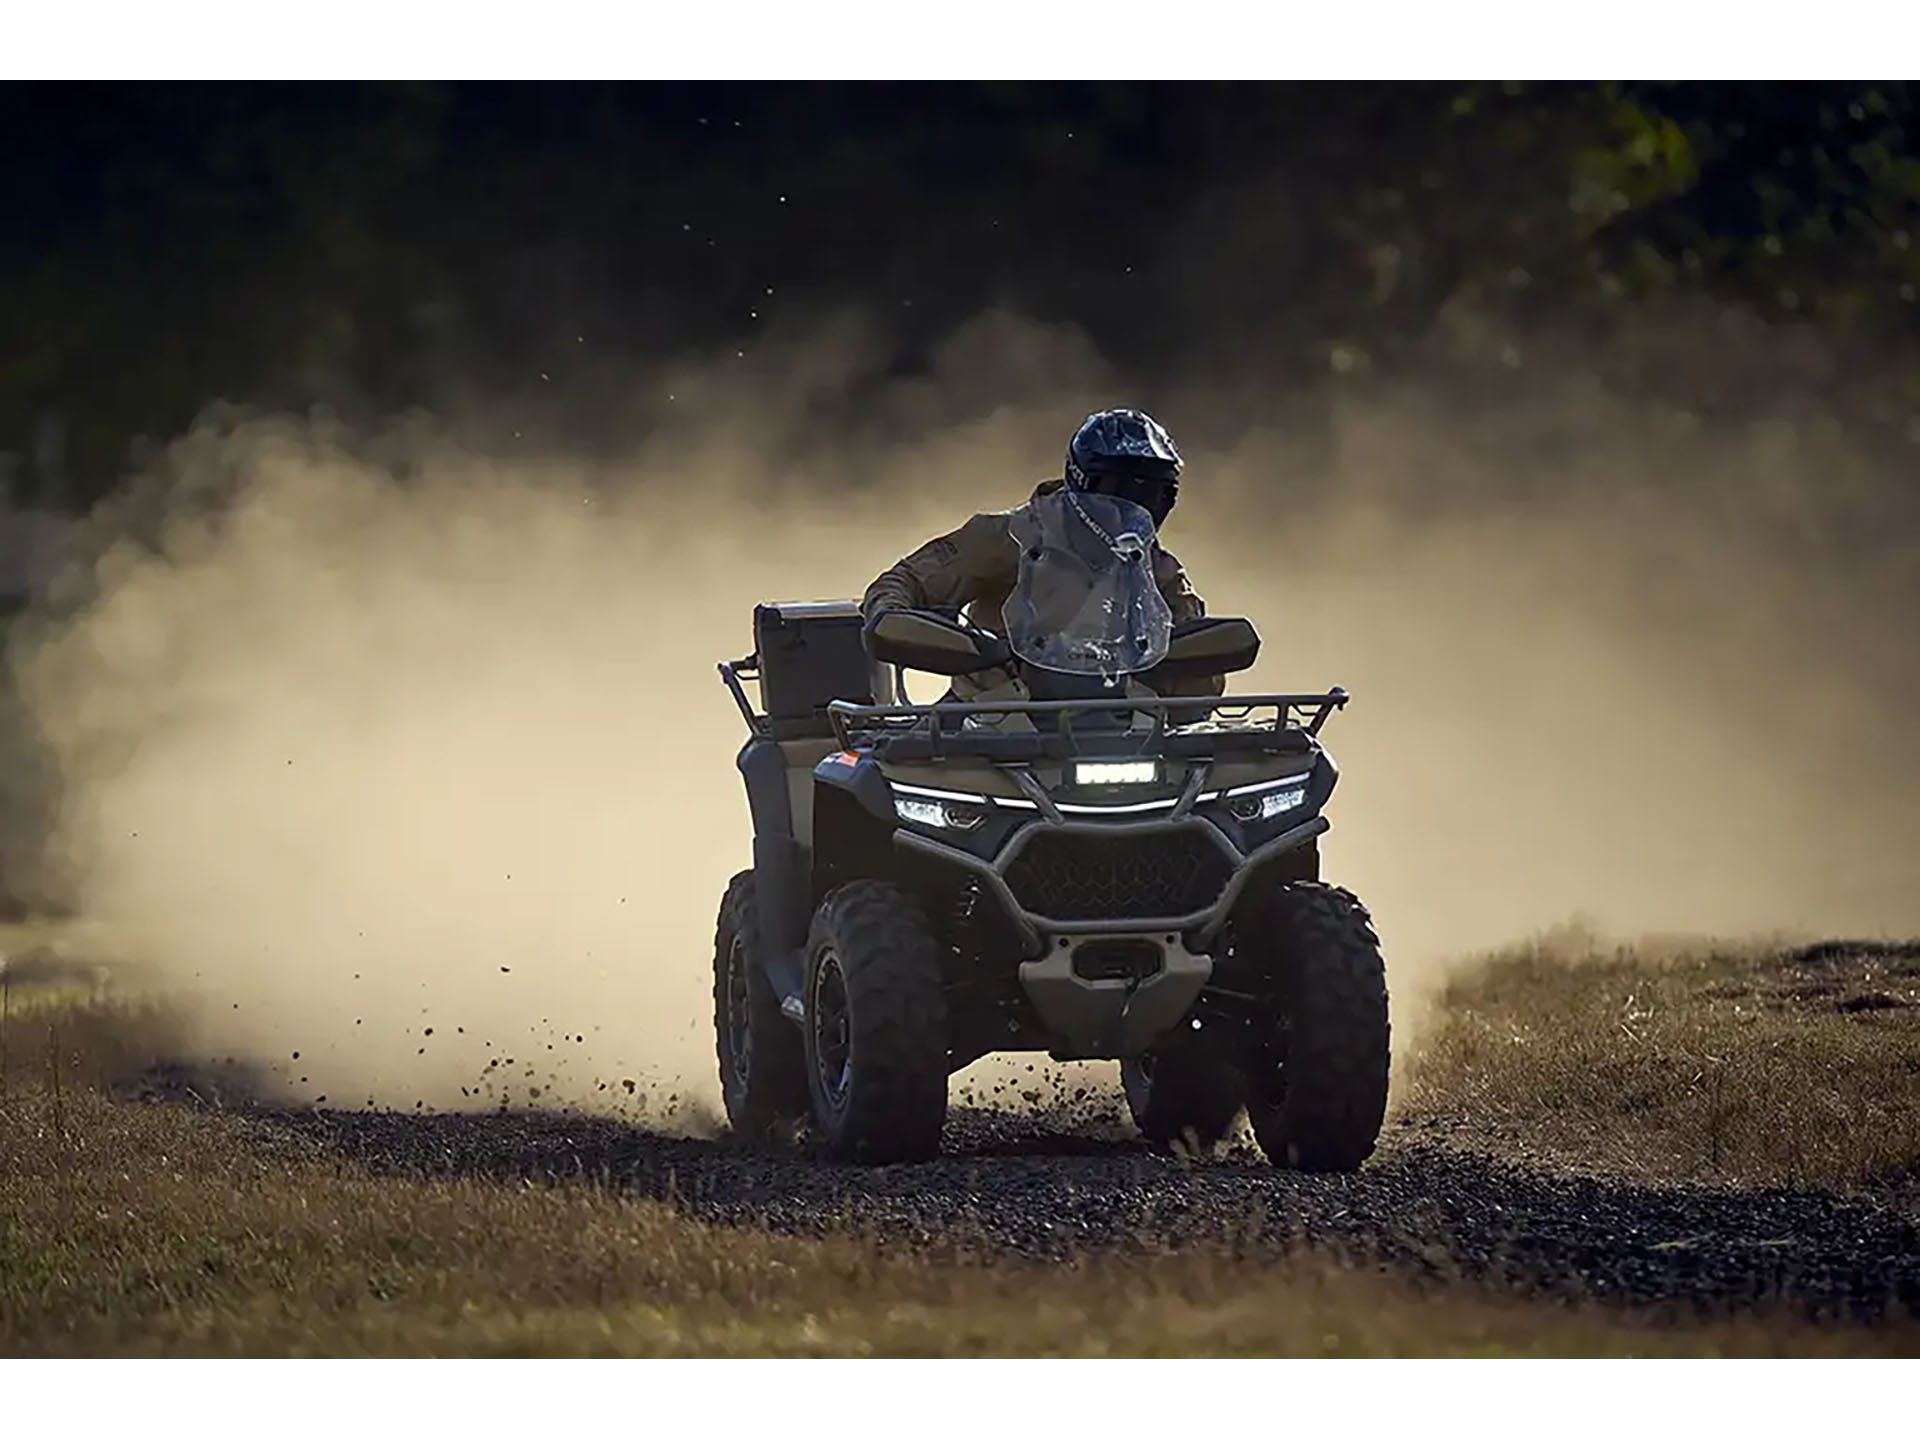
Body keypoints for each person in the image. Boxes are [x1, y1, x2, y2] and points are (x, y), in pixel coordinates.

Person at [862, 408, 1226, 702]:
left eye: (1155, 494)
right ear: (1081, 481)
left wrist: (1183, 661)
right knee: (903, 774)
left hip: (1123, 732)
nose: (1133, 506)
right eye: (1121, 489)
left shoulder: (1160, 572)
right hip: (992, 724)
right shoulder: (1009, 536)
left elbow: (1201, 689)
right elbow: (902, 581)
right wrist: (901, 624)